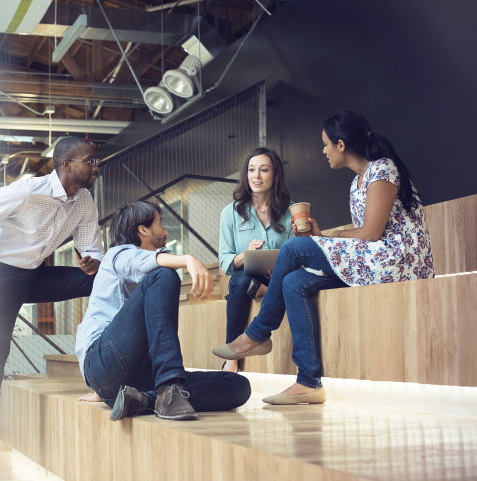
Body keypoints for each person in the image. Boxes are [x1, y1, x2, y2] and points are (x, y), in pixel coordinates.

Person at [213, 110, 434, 405]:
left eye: (326, 144)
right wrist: (324, 237)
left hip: (396, 260)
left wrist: (328, 239)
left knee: (292, 249)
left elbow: (370, 233)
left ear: (341, 145)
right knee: (293, 282)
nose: (324, 151)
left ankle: (257, 334)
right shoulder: (356, 183)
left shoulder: (383, 170)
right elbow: (364, 237)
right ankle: (309, 382)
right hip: (372, 261)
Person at [0, 137, 104, 480]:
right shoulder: (27, 191)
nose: (96, 167)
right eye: (90, 161)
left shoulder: (83, 201)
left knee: (105, 279)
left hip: (34, 276)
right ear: (67, 164)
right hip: (0, 278)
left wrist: (93, 263)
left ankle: (106, 366)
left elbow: (90, 247)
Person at [75, 201, 251, 421]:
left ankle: (145, 399)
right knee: (164, 274)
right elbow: (139, 263)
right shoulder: (117, 254)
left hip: (131, 380)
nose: (166, 231)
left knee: (237, 385)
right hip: (102, 360)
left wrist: (108, 390)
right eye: (160, 223)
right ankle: (168, 386)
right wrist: (188, 259)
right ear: (143, 229)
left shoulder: (152, 263)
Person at [218, 148, 294, 373]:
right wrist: (247, 255)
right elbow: (225, 260)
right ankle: (232, 353)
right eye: (252, 170)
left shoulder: (291, 211)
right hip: (247, 279)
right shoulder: (230, 213)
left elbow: (295, 252)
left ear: (275, 174)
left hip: (278, 279)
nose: (256, 176)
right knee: (241, 279)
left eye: (263, 170)